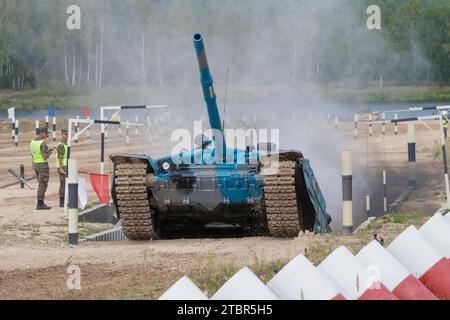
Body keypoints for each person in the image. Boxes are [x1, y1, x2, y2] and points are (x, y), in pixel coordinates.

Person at [29, 128, 53, 210]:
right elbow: (44, 157)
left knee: (40, 183)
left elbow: (32, 154)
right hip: (42, 165)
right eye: (46, 133)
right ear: (41, 133)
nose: (47, 135)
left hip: (35, 164)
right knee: (42, 184)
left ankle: (40, 203)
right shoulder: (43, 143)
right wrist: (49, 153)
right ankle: (40, 203)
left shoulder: (32, 142)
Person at [56, 129, 68, 208]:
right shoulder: (61, 145)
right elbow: (60, 157)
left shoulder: (65, 144)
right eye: (66, 134)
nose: (67, 136)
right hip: (62, 166)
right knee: (63, 184)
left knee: (65, 184)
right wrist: (61, 168)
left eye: (68, 134)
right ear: (62, 134)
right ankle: (62, 202)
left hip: (65, 165)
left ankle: (64, 201)